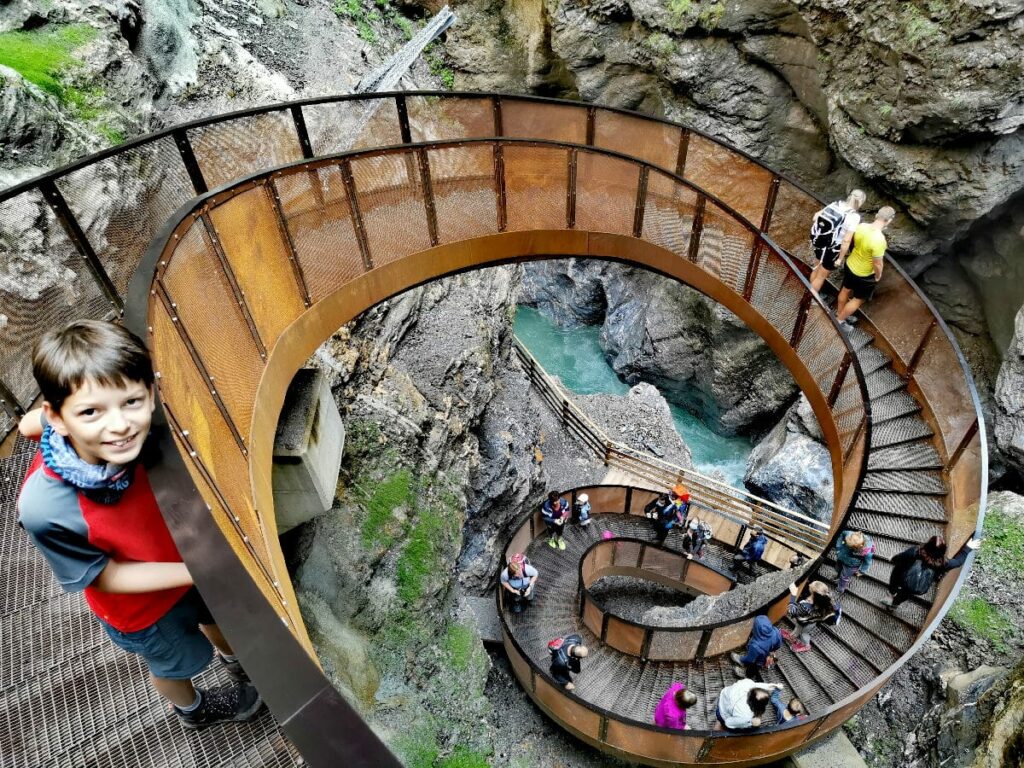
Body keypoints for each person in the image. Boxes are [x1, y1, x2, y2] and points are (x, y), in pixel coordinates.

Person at [15, 320, 262, 729]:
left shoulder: (129, 425)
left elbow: (29, 424)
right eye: (91, 412)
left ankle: (240, 662)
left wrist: (198, 567)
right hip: (143, 606)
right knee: (173, 662)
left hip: (185, 552)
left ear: (150, 394)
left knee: (217, 614)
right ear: (58, 418)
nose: (119, 425)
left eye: (130, 402)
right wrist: (197, 567)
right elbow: (105, 577)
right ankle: (191, 708)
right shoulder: (45, 508)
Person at [883, 535, 982, 609]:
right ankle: (894, 604)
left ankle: (891, 593)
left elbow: (901, 557)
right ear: (943, 551)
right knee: (906, 592)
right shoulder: (944, 563)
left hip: (902, 576)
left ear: (927, 545)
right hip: (915, 585)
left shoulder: (915, 551)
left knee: (897, 572)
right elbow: (958, 562)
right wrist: (967, 548)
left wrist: (892, 558)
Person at [836, 206, 896, 326]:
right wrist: (878, 276)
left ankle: (839, 314)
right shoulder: (879, 240)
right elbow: (877, 263)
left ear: (876, 216)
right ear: (889, 221)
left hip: (850, 264)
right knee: (858, 299)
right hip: (864, 275)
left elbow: (851, 242)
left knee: (845, 289)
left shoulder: (861, 226)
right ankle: (839, 321)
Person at [809, 190, 866, 295]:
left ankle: (807, 291)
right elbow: (846, 240)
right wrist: (840, 259)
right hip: (833, 249)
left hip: (821, 242)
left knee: (816, 268)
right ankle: (808, 299)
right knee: (821, 277)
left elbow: (816, 216)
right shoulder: (854, 217)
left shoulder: (836, 204)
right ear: (861, 202)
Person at [781, 581, 839, 652]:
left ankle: (806, 645)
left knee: (804, 634)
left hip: (808, 621)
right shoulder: (824, 600)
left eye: (811, 586)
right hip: (812, 619)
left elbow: (793, 611)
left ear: (814, 593)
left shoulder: (806, 606)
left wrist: (793, 595)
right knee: (798, 627)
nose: (809, 584)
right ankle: (792, 636)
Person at [716, 678, 784, 730]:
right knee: (754, 725)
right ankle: (720, 723)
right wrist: (750, 723)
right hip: (723, 714)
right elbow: (728, 722)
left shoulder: (747, 682)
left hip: (723, 697)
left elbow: (755, 685)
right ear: (757, 706)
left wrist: (772, 686)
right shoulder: (745, 715)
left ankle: (719, 722)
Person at [730, 615, 783, 680]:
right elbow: (778, 643)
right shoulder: (776, 632)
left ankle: (746, 673)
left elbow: (749, 659)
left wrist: (742, 659)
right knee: (758, 659)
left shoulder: (755, 646)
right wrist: (772, 652)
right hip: (766, 652)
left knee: (753, 666)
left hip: (759, 659)